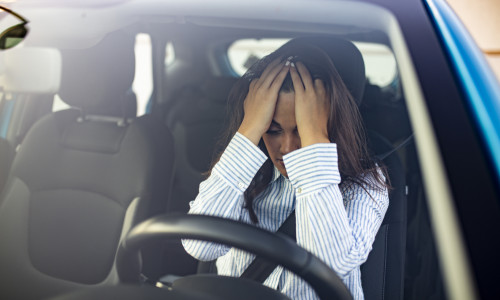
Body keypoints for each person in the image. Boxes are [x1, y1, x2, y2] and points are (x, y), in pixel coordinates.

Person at [182, 38, 390, 300]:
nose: (288, 148)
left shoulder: (367, 182)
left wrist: (315, 140)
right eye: (273, 130)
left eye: (301, 131)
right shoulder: (248, 173)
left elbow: (328, 267)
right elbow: (198, 245)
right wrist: (248, 130)